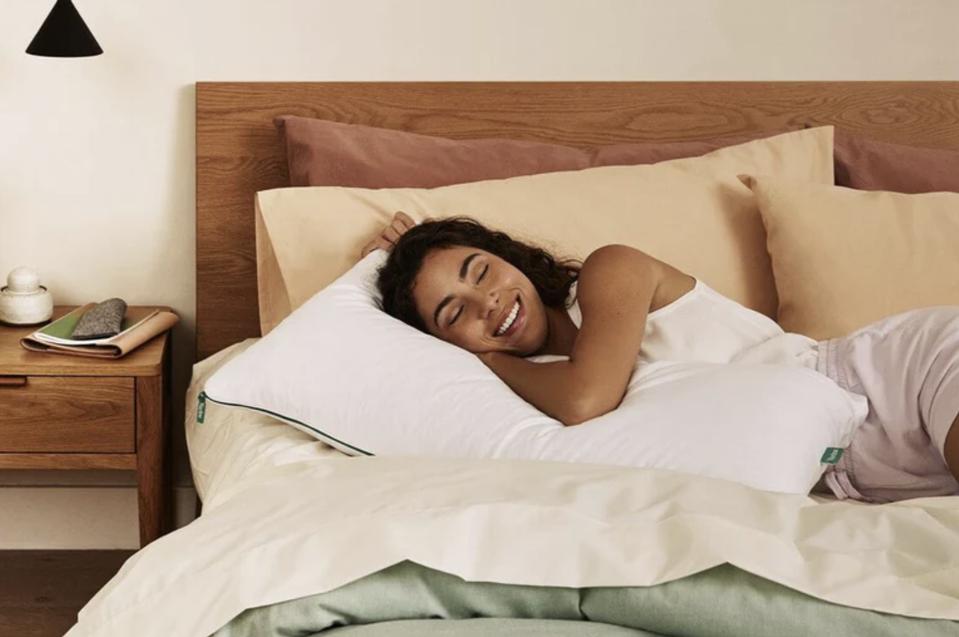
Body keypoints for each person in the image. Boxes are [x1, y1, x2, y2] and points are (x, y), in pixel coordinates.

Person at [364, 212, 959, 503]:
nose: (487, 301)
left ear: (510, 256)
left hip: (895, 378)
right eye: (456, 312)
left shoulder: (610, 271)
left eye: (482, 270)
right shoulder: (513, 397)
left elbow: (587, 397)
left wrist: (477, 353)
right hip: (837, 474)